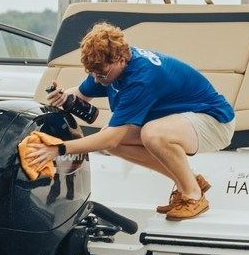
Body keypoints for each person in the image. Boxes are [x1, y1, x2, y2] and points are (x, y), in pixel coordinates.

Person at [19, 22, 235, 220]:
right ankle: (189, 181)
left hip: (215, 122)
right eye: (92, 73)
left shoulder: (141, 78)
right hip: (186, 119)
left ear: (121, 60)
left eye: (101, 74)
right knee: (119, 142)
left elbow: (110, 138)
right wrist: (64, 97)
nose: (97, 79)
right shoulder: (108, 65)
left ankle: (194, 196)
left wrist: (58, 149)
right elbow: (83, 94)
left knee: (151, 134)